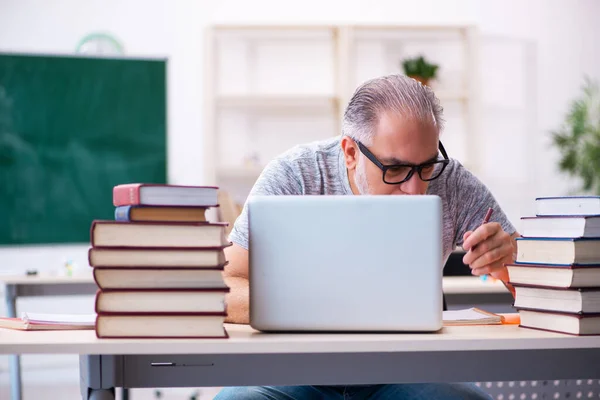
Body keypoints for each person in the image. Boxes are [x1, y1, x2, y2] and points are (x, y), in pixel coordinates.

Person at [215, 74, 519, 400]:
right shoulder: (294, 175)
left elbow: (540, 282)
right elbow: (225, 286)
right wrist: (314, 307)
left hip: (409, 372)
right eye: (395, 169)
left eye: (427, 166)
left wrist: (509, 260)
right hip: (292, 370)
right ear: (350, 152)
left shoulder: (453, 181)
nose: (415, 189)